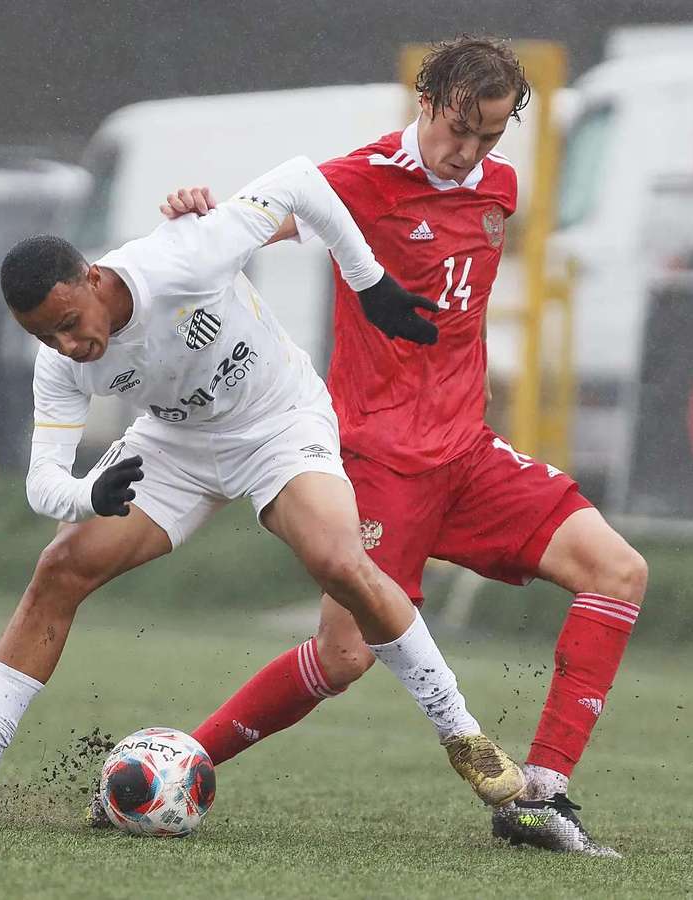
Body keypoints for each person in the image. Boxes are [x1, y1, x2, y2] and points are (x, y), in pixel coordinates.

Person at [0, 156, 525, 828]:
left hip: (278, 421)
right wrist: (89, 498)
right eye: (45, 335)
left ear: (95, 279)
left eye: (69, 322)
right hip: (175, 444)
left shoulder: (184, 256)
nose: (66, 344)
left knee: (340, 563)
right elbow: (43, 481)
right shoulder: (60, 362)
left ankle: (463, 735)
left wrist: (369, 282)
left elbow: (302, 181)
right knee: (58, 568)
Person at [158, 37, 646, 858]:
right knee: (343, 657)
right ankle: (185, 761)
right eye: (461, 131)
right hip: (378, 464)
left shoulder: (500, 187)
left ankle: (541, 796)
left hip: (469, 455)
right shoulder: (359, 180)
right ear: (426, 103)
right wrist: (198, 215)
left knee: (619, 571)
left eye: (491, 137)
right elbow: (259, 221)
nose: (471, 153)